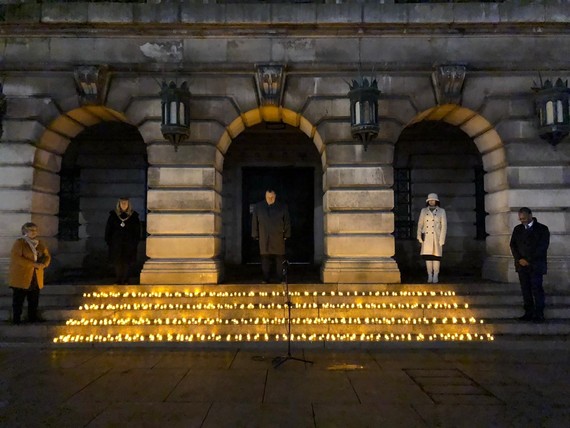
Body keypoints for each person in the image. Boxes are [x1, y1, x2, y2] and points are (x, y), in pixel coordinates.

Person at [509, 207, 550, 323]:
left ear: (530, 215)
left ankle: (539, 313)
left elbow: (542, 247)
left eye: (525, 218)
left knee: (537, 289)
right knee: (525, 289)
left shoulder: (542, 229)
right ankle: (528, 312)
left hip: (536, 265)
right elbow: (513, 245)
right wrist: (519, 259)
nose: (523, 221)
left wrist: (529, 260)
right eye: (521, 219)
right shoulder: (517, 229)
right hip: (522, 265)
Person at [8, 222, 51, 324]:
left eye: (35, 230)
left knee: (33, 299)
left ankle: (32, 317)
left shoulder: (40, 243)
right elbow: (17, 258)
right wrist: (33, 264)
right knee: (19, 299)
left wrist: (44, 264)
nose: (33, 232)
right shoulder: (20, 243)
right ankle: (16, 319)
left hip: (35, 276)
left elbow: (47, 255)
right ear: (25, 231)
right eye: (31, 230)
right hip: (22, 275)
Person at [251, 189, 291, 283]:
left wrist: (287, 234)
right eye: (268, 197)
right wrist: (255, 234)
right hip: (264, 236)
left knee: (279, 258)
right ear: (265, 196)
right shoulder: (258, 207)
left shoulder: (282, 207)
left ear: (275, 196)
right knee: (265, 258)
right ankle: (265, 278)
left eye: (272, 197)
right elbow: (254, 222)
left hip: (278, 236)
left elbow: (287, 222)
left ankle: (280, 279)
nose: (270, 198)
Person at [105, 197, 141, 285]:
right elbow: (109, 229)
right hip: (116, 243)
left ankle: (126, 279)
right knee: (117, 262)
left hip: (129, 243)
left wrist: (135, 242)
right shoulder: (113, 215)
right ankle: (118, 279)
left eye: (125, 203)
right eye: (122, 203)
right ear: (119, 204)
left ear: (128, 204)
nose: (124, 205)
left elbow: (137, 231)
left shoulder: (134, 216)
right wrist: (109, 241)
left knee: (127, 262)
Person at [417, 193, 447, 283]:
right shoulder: (423, 211)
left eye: (433, 200)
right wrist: (418, 235)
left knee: (436, 257)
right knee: (428, 257)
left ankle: (436, 275)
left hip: (436, 237)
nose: (431, 202)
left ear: (436, 201)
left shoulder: (442, 211)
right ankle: (429, 275)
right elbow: (420, 224)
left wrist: (442, 239)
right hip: (427, 237)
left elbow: (444, 226)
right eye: (430, 200)